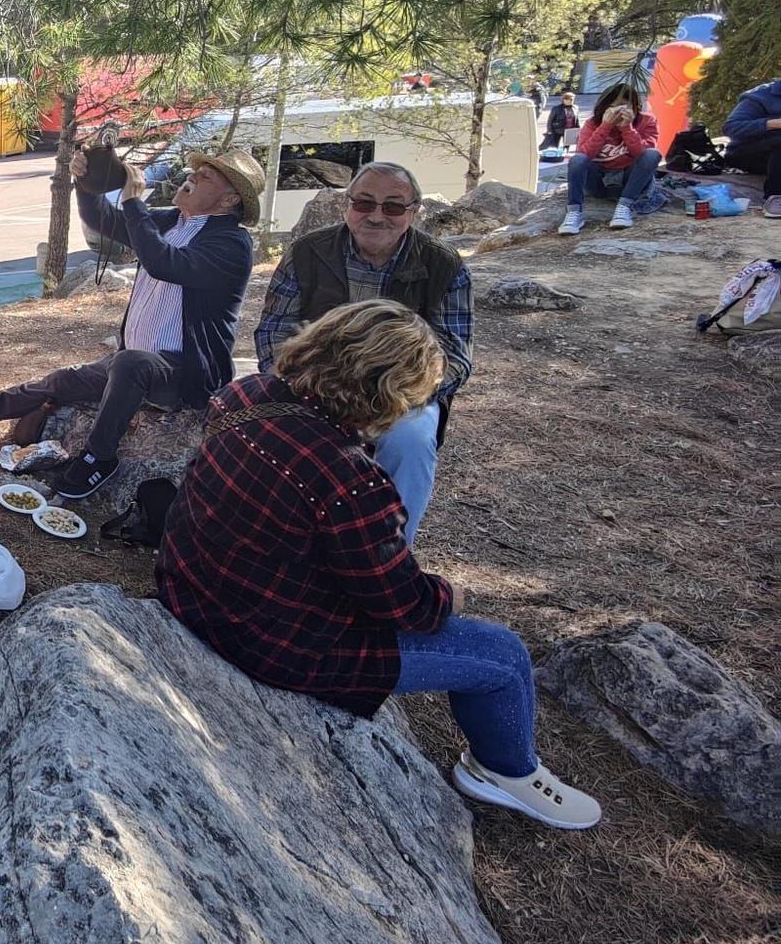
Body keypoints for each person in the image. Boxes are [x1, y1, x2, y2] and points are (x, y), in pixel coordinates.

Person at [158, 300, 600, 830]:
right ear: (393, 393)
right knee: (503, 657)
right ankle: (505, 772)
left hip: (190, 590)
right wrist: (446, 595)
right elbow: (400, 604)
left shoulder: (242, 397)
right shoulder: (350, 480)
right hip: (274, 645)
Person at [0, 147, 264, 505]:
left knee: (129, 363)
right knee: (64, 380)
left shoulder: (232, 243)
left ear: (230, 198)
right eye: (196, 170)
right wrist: (86, 183)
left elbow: (164, 263)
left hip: (184, 372)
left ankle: (99, 457)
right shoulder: (175, 221)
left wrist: (135, 203)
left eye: (206, 177)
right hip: (139, 362)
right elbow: (107, 222)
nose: (192, 176)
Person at [255, 160, 470, 545]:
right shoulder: (307, 251)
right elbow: (273, 332)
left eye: (392, 206)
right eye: (364, 203)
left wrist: (396, 396)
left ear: (414, 211)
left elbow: (454, 355)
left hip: (401, 392)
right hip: (317, 383)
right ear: (346, 205)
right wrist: (301, 386)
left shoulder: (444, 265)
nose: (376, 216)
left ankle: (391, 555)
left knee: (412, 442)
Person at [560, 83, 662, 234]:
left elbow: (643, 156)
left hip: (630, 180)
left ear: (633, 106)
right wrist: (605, 126)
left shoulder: (647, 121)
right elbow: (585, 155)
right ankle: (574, 212)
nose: (617, 111)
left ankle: (624, 206)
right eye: (612, 107)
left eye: (622, 106)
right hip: (599, 180)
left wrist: (627, 128)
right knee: (577, 159)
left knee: (652, 154)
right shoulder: (592, 123)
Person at [721, 75, 781, 219]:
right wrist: (774, 123)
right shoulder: (761, 96)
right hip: (747, 152)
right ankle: (775, 198)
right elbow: (731, 127)